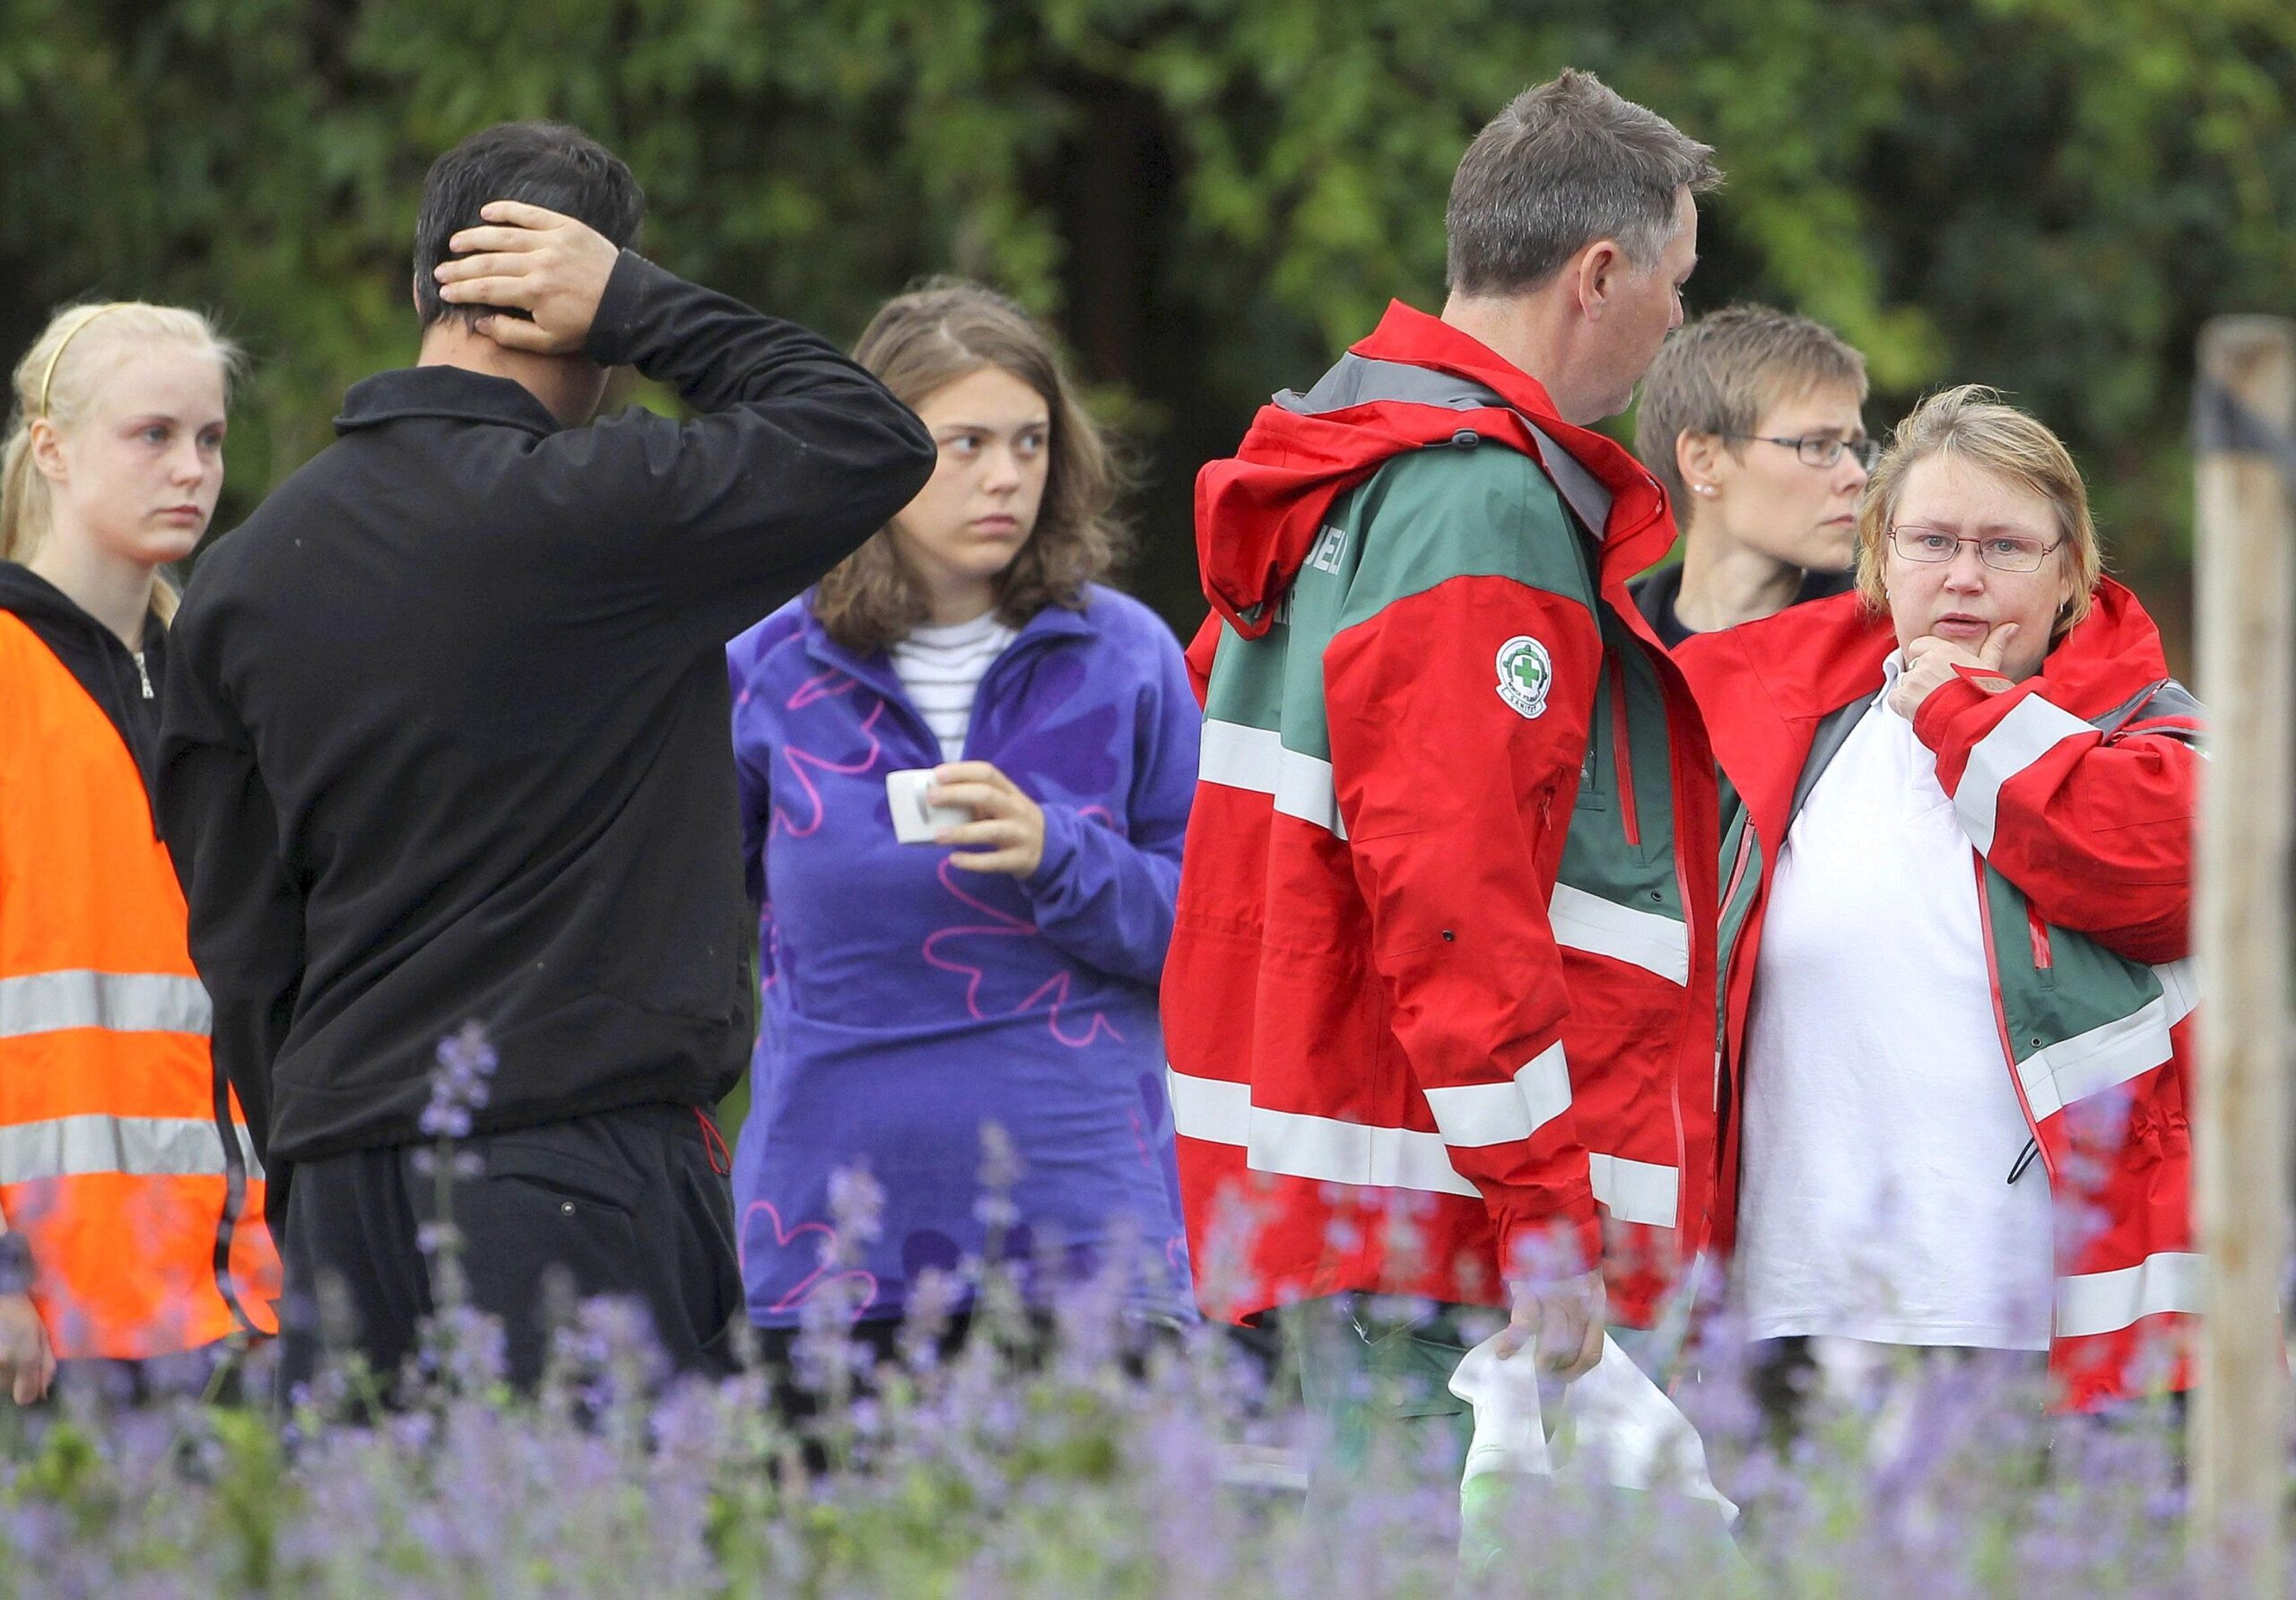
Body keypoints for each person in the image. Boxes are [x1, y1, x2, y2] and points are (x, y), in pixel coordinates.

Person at [156, 122, 935, 1395]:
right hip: (576, 1182)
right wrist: (644, 306)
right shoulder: (606, 515)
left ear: (420, 290)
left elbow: (243, 947)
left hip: (344, 1190)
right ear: (587, 305)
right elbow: (871, 439)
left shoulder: (241, 583)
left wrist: (311, 1167)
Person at [1162, 68, 1724, 1469]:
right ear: (1599, 273)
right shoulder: (1477, 499)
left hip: (1303, 1207)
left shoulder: (1329, 463)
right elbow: (1456, 886)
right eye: (1677, 283)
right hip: (1424, 1228)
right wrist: (1545, 1211)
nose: (1679, 324)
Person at [1680, 386, 2201, 1414]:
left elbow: (2161, 876)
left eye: (2006, 547)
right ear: (1880, 557)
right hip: (1797, 1307)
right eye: (1931, 541)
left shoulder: (2145, 736)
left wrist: (1959, 711)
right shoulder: (1783, 721)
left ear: (2068, 573)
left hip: (2052, 1330)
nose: (1963, 576)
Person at [725, 282, 1196, 1378]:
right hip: (828, 1236)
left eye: (1030, 442)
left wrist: (1059, 852)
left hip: (1087, 1235)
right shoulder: (762, 671)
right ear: (871, 455)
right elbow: (684, 939)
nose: (1006, 477)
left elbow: (1216, 929)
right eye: (965, 443)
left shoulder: (1126, 656)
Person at [0, 301, 280, 1405]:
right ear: (52, 447)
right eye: (152, 435)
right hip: (51, 1322)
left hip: (234, 1303)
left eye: (208, 438)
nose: (191, 469)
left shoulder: (218, 684)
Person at [1630, 305, 1874, 648]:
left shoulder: (1888, 651)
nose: (1856, 475)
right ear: (1704, 461)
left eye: (1854, 448)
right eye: (1819, 445)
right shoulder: (1596, 650)